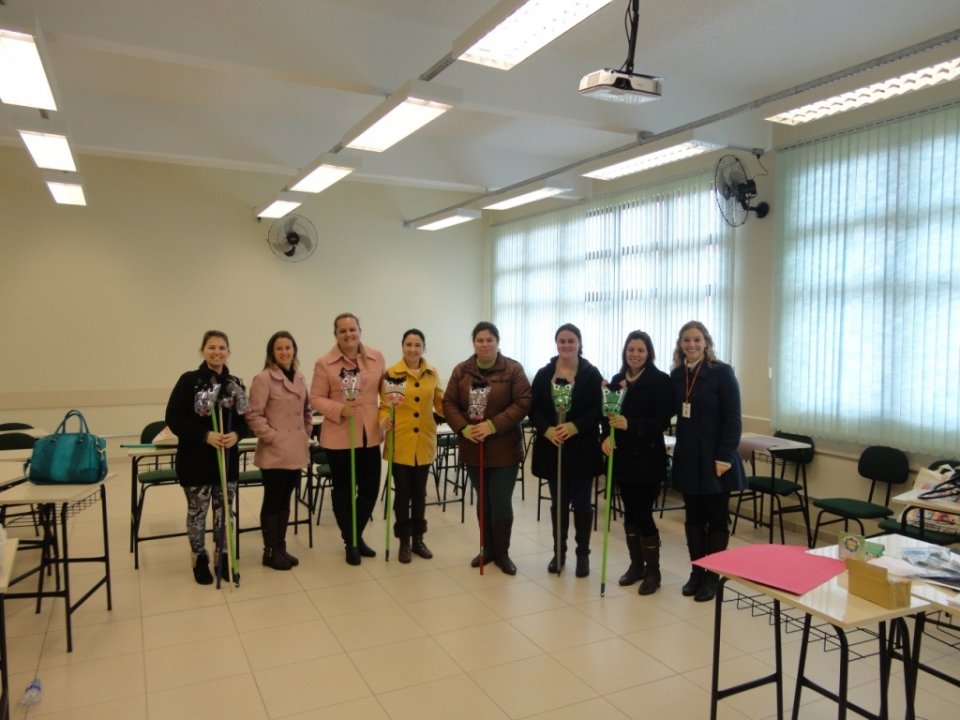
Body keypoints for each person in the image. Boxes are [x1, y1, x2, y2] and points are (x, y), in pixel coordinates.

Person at [443, 322, 531, 575]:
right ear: (474, 343)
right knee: (484, 502)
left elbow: (523, 401)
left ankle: (502, 552)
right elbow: (448, 402)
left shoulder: (513, 369)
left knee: (501, 500)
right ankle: (487, 548)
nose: (485, 344)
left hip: (504, 449)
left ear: (497, 342)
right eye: (480, 340)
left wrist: (493, 425)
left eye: (490, 340)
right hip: (474, 448)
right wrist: (464, 428)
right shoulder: (462, 371)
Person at [165, 330, 248, 585]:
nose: (217, 352)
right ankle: (199, 557)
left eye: (222, 348)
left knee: (225, 512)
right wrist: (205, 435)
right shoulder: (189, 381)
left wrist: (236, 434)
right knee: (198, 512)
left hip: (227, 460)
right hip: (196, 460)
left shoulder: (235, 383)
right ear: (203, 350)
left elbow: (246, 420)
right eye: (212, 347)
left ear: (228, 352)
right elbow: (174, 419)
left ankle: (223, 555)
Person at [669, 321, 745, 602]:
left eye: (697, 340)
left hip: (717, 459)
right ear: (680, 344)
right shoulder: (677, 375)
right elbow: (662, 406)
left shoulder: (722, 372)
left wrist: (725, 455)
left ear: (706, 342)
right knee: (693, 518)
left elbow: (734, 418)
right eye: (686, 340)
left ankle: (713, 575)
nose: (691, 344)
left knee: (716, 519)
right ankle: (697, 572)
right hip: (689, 458)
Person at [601, 330, 673, 595]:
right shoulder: (618, 381)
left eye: (640, 350)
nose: (635, 354)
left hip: (648, 459)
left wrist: (631, 425)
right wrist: (604, 439)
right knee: (629, 513)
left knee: (643, 513)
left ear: (649, 353)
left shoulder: (661, 381)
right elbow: (607, 416)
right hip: (622, 459)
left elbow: (662, 420)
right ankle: (636, 566)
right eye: (631, 349)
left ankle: (653, 572)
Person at [310, 313, 385, 565]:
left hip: (369, 434)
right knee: (343, 490)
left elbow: (384, 394)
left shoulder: (376, 357)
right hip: (339, 435)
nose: (348, 334)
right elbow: (316, 398)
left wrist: (389, 413)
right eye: (342, 331)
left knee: (370, 489)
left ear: (360, 331)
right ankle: (351, 542)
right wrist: (340, 409)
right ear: (336, 335)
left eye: (352, 329)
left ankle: (355, 534)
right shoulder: (324, 363)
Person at [530, 323, 603, 577]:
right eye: (562, 341)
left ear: (579, 343)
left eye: (571, 341)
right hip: (554, 449)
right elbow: (534, 409)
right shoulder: (544, 374)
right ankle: (558, 552)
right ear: (556, 344)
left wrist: (575, 426)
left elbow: (598, 410)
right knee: (558, 503)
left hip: (582, 449)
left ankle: (583, 554)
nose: (566, 345)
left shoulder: (591, 374)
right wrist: (547, 429)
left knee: (582, 505)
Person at [246, 331, 313, 571]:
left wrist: (305, 431)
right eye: (279, 349)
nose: (285, 352)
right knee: (273, 500)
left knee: (286, 499)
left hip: (296, 449)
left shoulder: (300, 377)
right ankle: (270, 551)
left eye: (288, 348)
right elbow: (253, 414)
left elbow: (307, 410)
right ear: (271, 353)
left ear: (294, 350)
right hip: (275, 451)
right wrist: (273, 437)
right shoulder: (263, 379)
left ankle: (281, 546)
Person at [379, 329, 444, 563]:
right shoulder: (391, 373)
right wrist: (383, 420)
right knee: (403, 494)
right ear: (402, 346)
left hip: (424, 442)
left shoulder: (431, 373)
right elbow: (385, 406)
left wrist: (461, 410)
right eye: (409, 344)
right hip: (401, 441)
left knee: (420, 494)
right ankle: (404, 541)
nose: (413, 349)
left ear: (423, 347)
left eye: (417, 345)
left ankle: (418, 539)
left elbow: (440, 402)